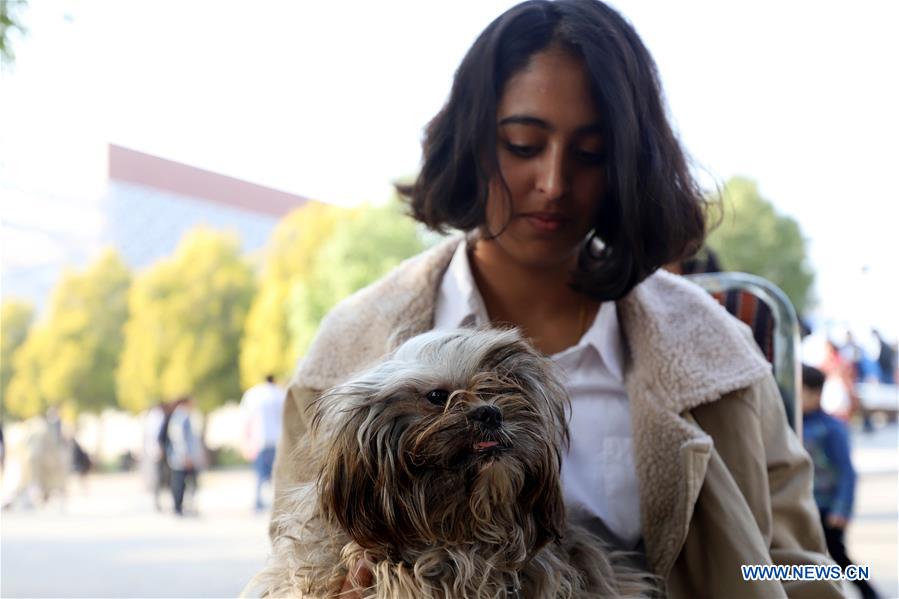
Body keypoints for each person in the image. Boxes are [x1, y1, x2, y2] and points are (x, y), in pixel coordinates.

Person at [264, 1, 840, 596]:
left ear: (627, 167)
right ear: (471, 144)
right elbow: (293, 562)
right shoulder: (345, 349)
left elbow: (800, 566)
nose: (554, 183)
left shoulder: (716, 353)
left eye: (591, 154)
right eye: (522, 143)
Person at [801, 364, 880, 598]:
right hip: (806, 505)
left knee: (837, 556)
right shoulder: (794, 423)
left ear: (815, 393)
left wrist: (841, 510)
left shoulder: (831, 428)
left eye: (802, 391)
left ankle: (869, 593)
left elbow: (847, 471)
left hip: (827, 508)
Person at [239, 374, 285, 511]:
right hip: (278, 439)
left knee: (259, 473)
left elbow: (246, 419)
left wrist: (245, 441)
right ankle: (277, 501)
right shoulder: (280, 394)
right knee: (277, 473)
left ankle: (258, 501)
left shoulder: (253, 394)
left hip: (259, 440)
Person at [166, 396, 204, 516]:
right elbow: (179, 437)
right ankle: (178, 507)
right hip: (182, 458)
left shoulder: (184, 415)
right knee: (180, 483)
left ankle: (184, 506)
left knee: (187, 482)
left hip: (185, 456)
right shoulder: (180, 416)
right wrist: (185, 455)